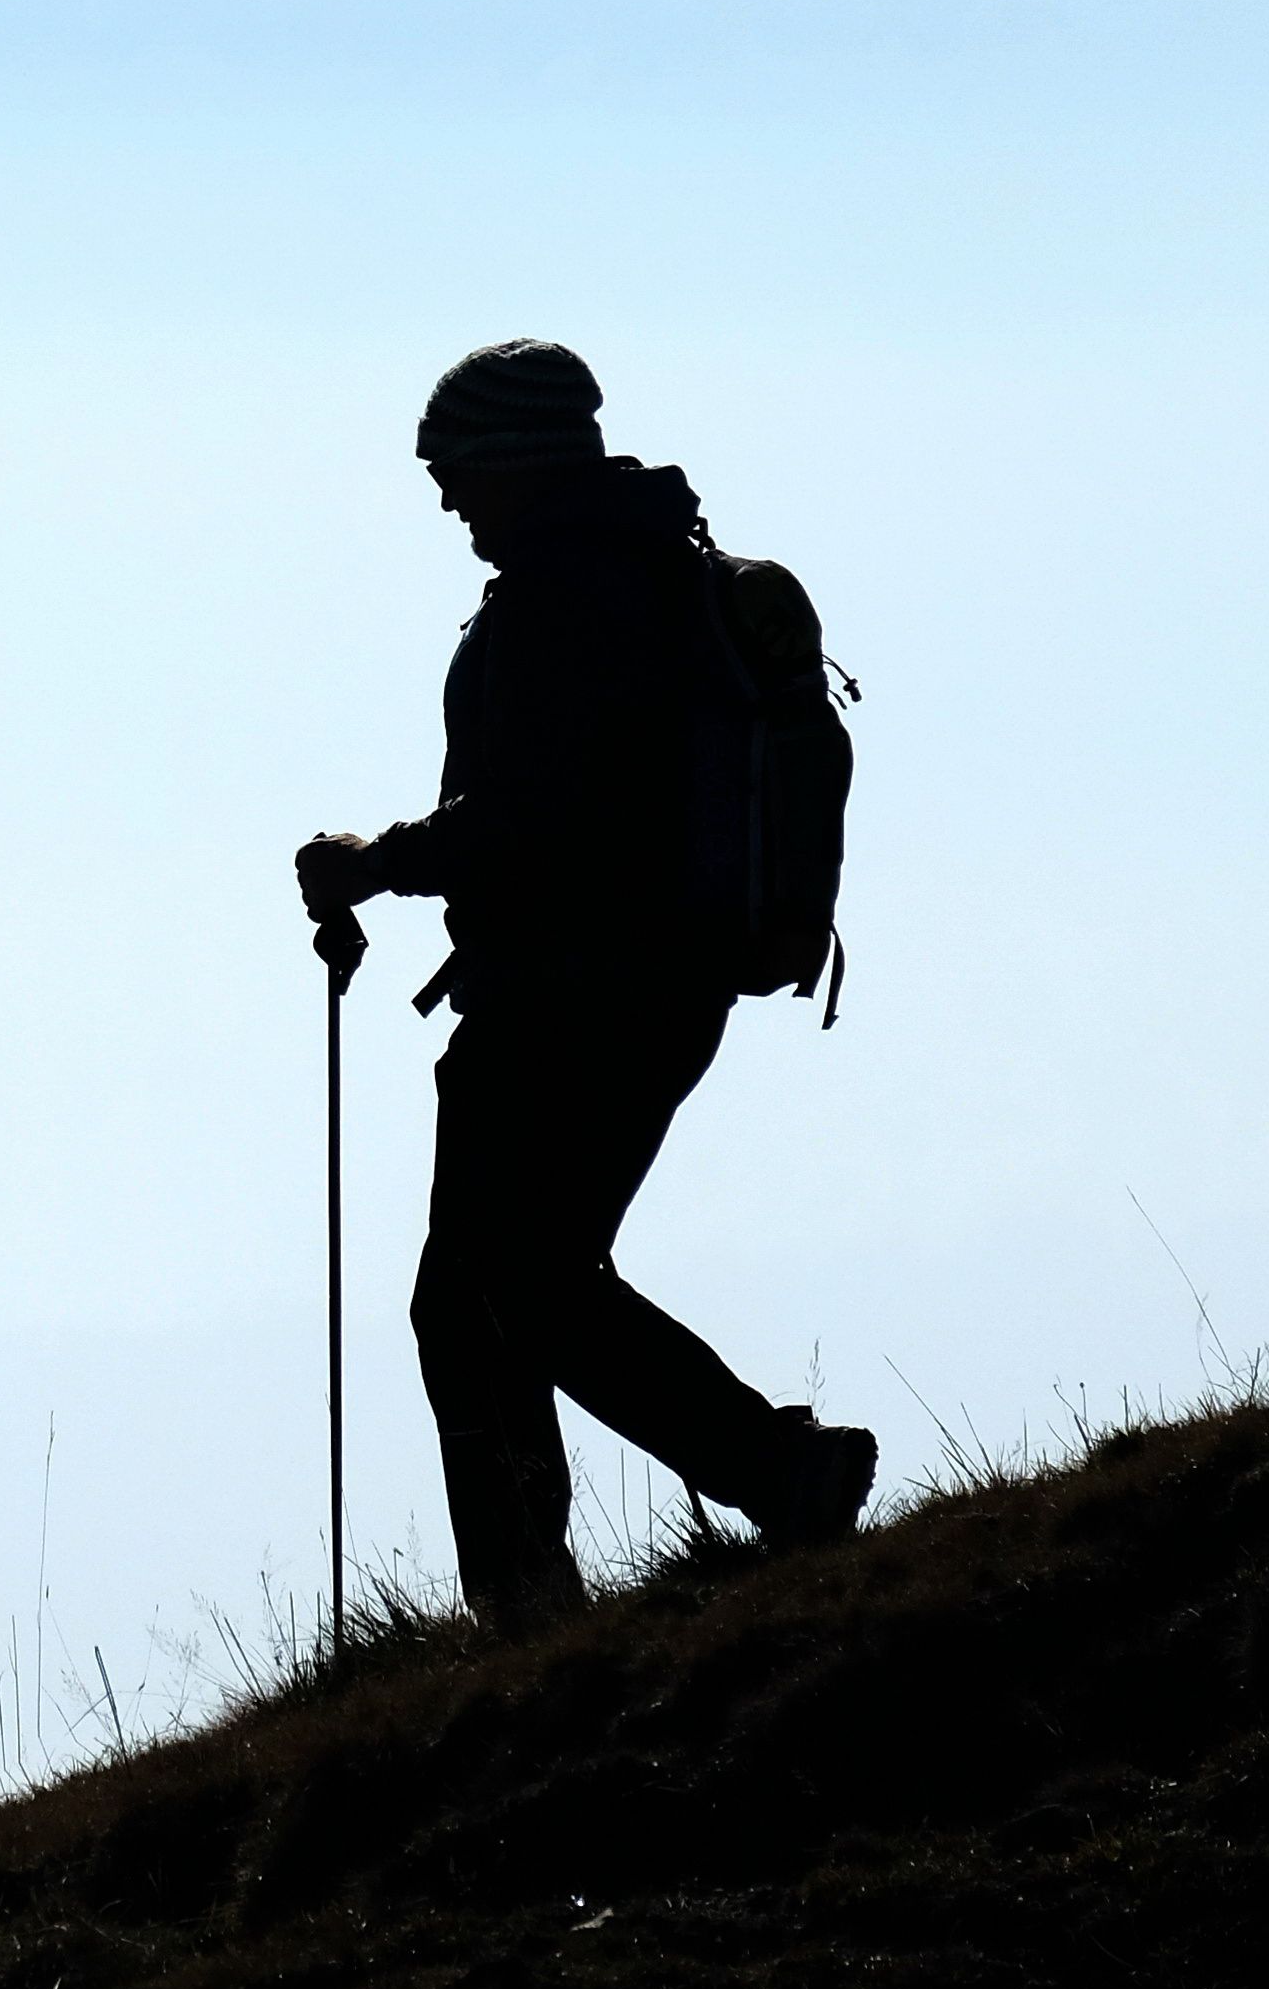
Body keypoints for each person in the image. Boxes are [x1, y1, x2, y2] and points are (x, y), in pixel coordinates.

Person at [295, 339, 879, 1635]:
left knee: (505, 1290)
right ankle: (573, 1580)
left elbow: (524, 819)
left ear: (515, 460)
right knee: (505, 1289)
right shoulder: (646, 573)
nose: (447, 500)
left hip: (573, 989)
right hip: (654, 983)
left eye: (454, 470)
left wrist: (368, 865)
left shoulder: (570, 594)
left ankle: (743, 1491)